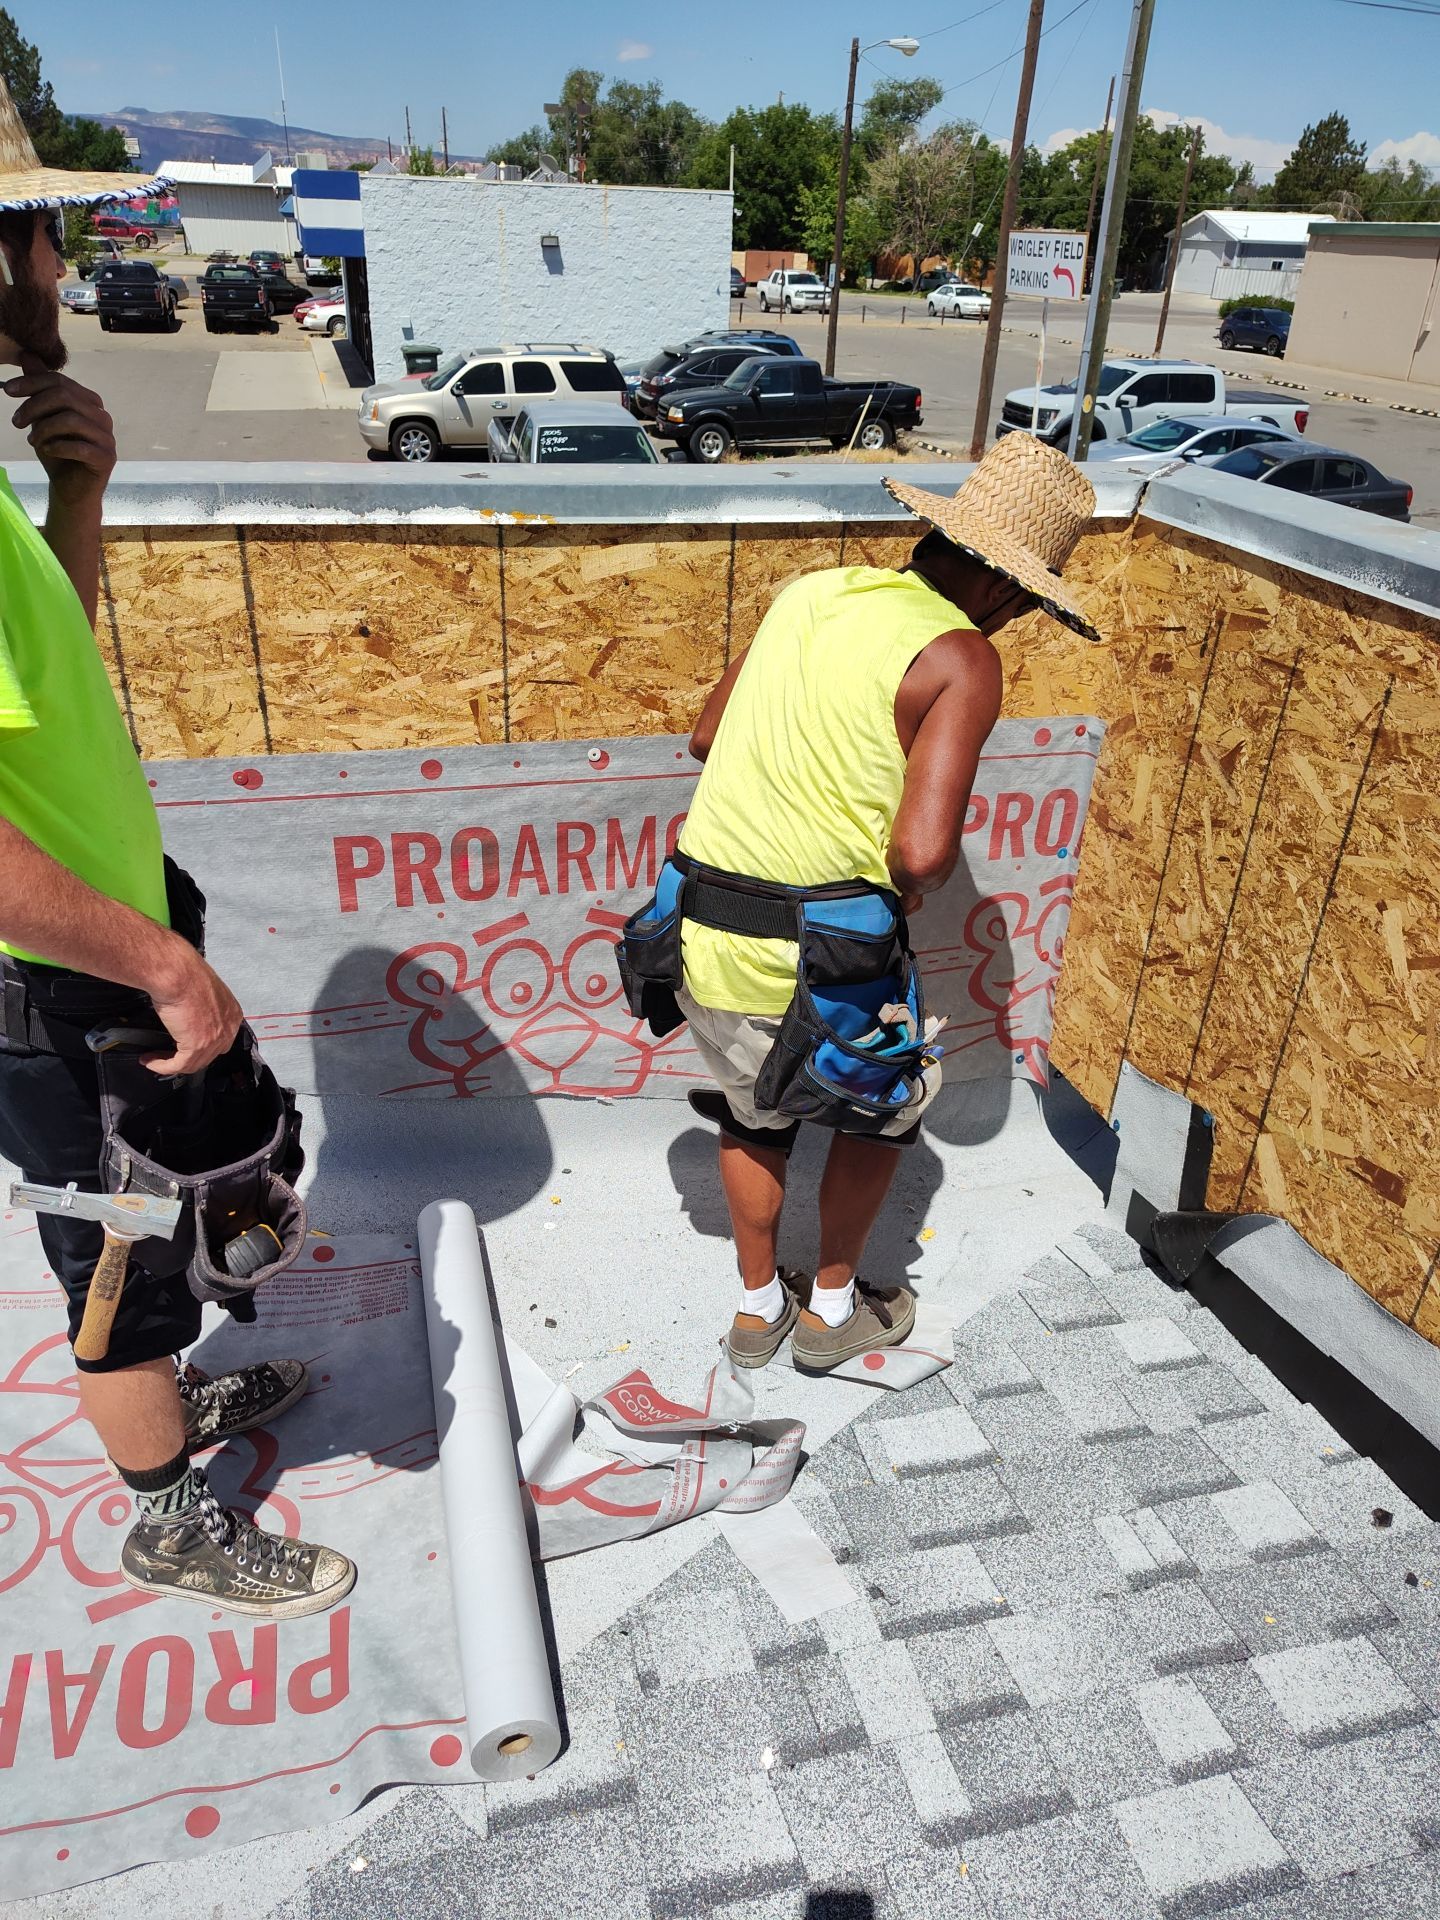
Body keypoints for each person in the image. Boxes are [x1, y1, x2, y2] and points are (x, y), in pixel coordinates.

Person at [0, 86, 354, 1617]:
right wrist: (154, 962)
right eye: (37, 237)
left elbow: (50, 674)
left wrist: (78, 494)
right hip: (59, 982)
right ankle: (168, 1519)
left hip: (91, 961)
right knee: (119, 1251)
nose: (61, 272)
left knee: (175, 1208)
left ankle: (170, 1415)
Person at [675, 433, 1101, 1373]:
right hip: (823, 953)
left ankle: (755, 1315)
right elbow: (921, 851)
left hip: (702, 931)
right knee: (878, 1111)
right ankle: (831, 1315)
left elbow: (708, 737)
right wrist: (901, 893)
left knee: (753, 1115)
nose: (1019, 619)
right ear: (999, 584)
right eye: (1028, 601)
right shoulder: (960, 656)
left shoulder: (809, 593)